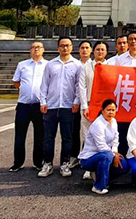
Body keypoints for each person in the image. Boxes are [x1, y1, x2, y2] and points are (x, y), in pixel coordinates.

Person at [38, 37, 85, 178]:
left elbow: (79, 86)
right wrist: (43, 102)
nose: (65, 48)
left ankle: (65, 164)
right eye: (62, 45)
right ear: (58, 47)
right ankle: (47, 163)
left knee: (67, 137)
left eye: (68, 45)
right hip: (51, 106)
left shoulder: (77, 65)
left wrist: (76, 101)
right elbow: (44, 84)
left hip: (68, 106)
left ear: (72, 47)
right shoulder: (50, 64)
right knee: (48, 137)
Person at [10, 41, 47, 172]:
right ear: (30, 50)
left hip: (40, 106)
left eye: (38, 47)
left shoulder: (48, 65)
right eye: (33, 47)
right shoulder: (22, 65)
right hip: (23, 106)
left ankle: (38, 162)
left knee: (40, 136)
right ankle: (18, 162)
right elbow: (16, 82)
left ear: (43, 50)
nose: (36, 49)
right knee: (20, 135)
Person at [78, 99, 126, 195]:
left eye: (113, 110)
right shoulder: (98, 124)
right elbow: (102, 147)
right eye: (108, 110)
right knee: (106, 155)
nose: (111, 112)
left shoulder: (114, 121)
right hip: (89, 158)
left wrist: (115, 153)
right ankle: (98, 186)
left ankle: (100, 177)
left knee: (124, 165)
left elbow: (115, 140)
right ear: (103, 110)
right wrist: (113, 156)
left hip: (107, 154)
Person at [80, 41, 108, 180]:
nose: (100, 52)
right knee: (87, 137)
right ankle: (88, 167)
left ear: (106, 52)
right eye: (97, 49)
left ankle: (102, 165)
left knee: (103, 136)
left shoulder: (111, 66)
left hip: (105, 108)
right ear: (93, 51)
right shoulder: (86, 66)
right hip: (89, 105)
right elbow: (82, 87)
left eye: (102, 50)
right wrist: (84, 106)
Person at [71, 40, 93, 169]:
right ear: (79, 50)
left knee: (88, 132)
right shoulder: (74, 64)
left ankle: (86, 156)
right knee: (74, 131)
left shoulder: (95, 65)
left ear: (91, 50)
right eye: (82, 48)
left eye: (87, 48)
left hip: (88, 104)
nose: (84, 50)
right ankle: (74, 156)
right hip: (74, 103)